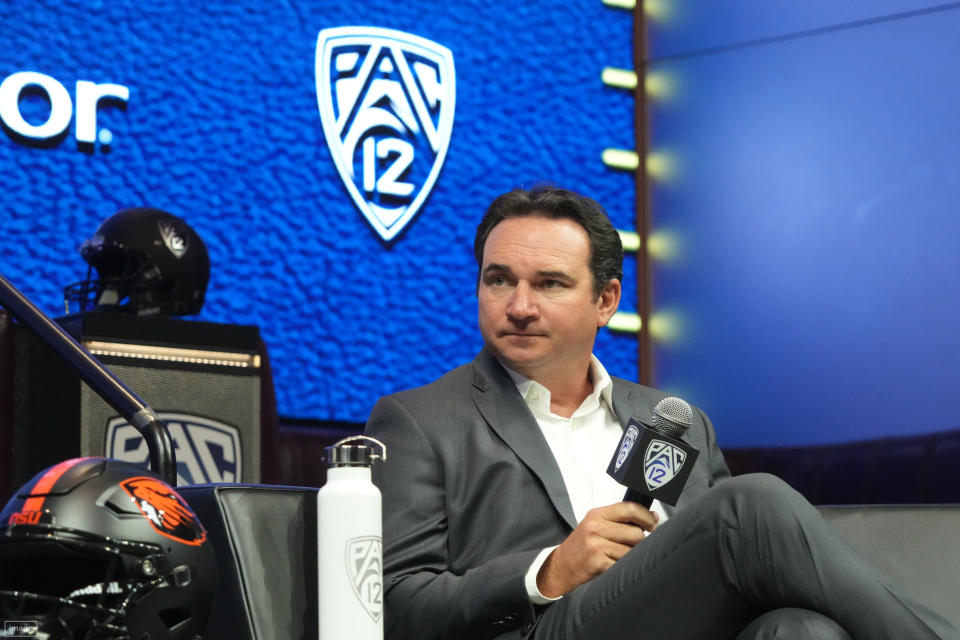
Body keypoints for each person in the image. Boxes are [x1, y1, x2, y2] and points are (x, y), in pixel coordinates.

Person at [364, 185, 957, 640]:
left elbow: (733, 573)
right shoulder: (416, 421)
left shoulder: (672, 419)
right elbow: (395, 604)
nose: (518, 306)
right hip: (542, 629)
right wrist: (547, 572)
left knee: (803, 631)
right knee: (746, 510)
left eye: (548, 284)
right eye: (499, 280)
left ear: (606, 301)